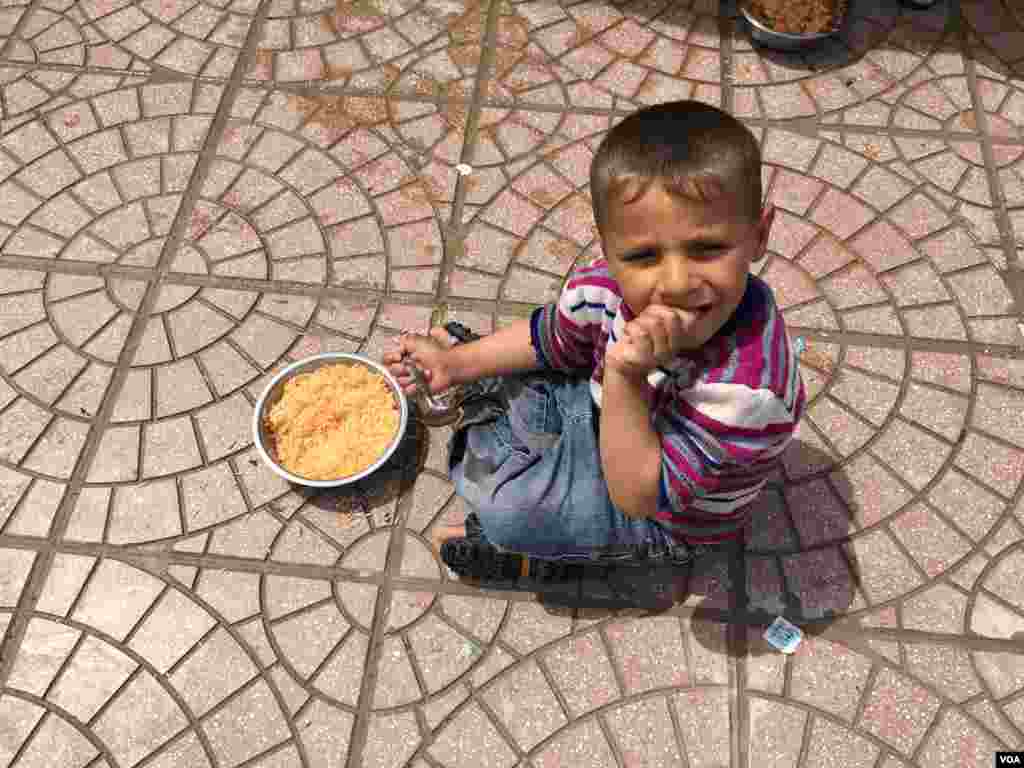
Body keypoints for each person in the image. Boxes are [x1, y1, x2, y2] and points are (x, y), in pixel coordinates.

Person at [384, 100, 805, 583]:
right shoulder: (603, 287)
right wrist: (457, 364)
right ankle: (473, 373)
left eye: (707, 248)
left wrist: (626, 375)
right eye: (644, 256)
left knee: (510, 514)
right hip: (604, 410)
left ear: (759, 235)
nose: (675, 282)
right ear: (608, 250)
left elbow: (637, 494)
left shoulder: (748, 395)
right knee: (520, 373)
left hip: (660, 510)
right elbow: (554, 339)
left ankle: (529, 555)